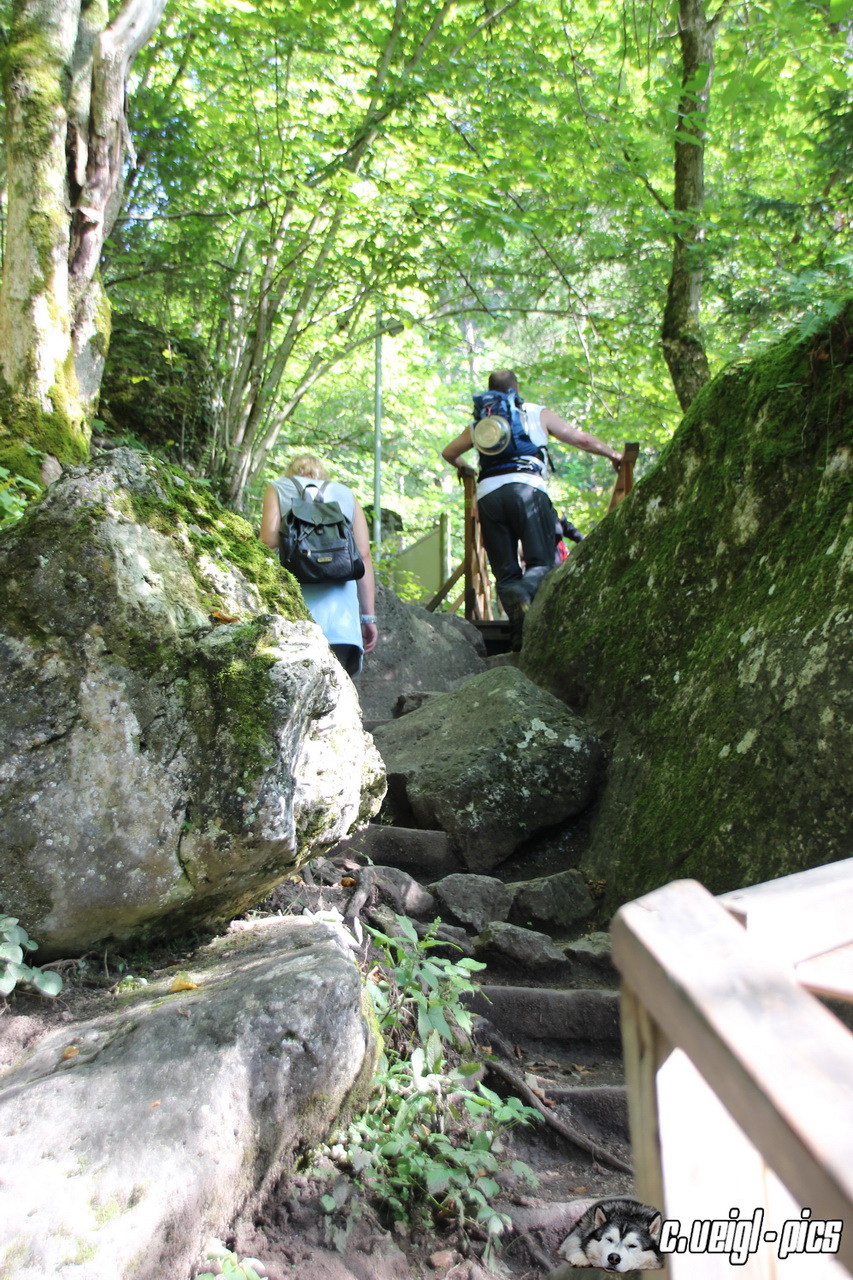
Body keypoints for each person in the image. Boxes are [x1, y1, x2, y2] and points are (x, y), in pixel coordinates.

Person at [441, 369, 622, 648]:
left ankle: (519, 636)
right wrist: (613, 454)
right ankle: (524, 592)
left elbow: (449, 453)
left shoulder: (481, 423)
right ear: (516, 388)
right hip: (527, 489)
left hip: (488, 496)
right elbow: (580, 439)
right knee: (541, 563)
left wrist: (468, 470)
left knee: (505, 573)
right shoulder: (535, 412)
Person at [259, 453, 378, 676]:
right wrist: (368, 617)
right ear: (322, 474)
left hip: (292, 616)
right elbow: (363, 555)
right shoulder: (346, 494)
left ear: (291, 472)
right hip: (341, 623)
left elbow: (268, 542)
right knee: (335, 688)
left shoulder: (278, 488)